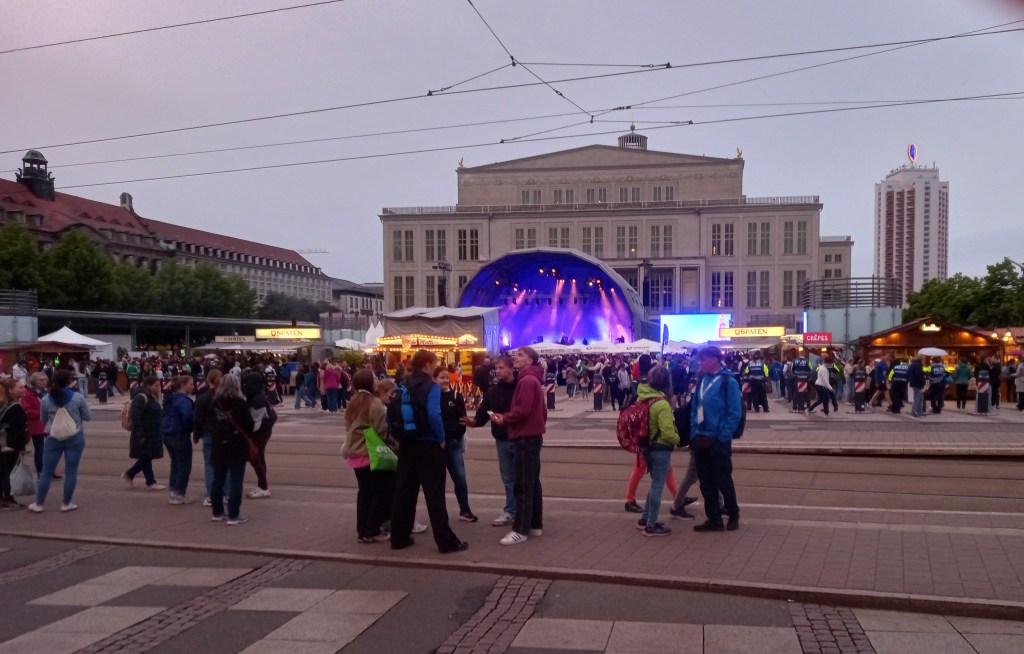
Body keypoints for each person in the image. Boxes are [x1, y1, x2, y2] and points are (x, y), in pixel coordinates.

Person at [390, 349, 468, 554]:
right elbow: (434, 415)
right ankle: (446, 542)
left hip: (407, 443)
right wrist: (441, 438)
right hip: (428, 445)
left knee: (404, 492)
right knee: (434, 495)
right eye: (434, 363)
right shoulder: (430, 386)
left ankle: (399, 538)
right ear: (426, 364)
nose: (435, 366)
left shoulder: (404, 384)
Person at [492, 346, 547, 546]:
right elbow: (541, 411)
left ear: (530, 361)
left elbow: (522, 410)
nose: (516, 357)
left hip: (525, 437)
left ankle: (520, 530)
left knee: (523, 484)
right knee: (532, 483)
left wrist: (505, 418)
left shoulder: (526, 381)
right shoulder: (533, 379)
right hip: (532, 436)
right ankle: (535, 524)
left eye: (521, 355)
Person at [689, 346, 742, 532]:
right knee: (706, 483)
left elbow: (734, 413)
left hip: (718, 440)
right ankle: (714, 519)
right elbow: (695, 408)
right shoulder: (702, 380)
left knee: (723, 480)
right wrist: (694, 432)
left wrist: (723, 438)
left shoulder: (729, 382)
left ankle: (733, 513)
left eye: (703, 359)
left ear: (715, 359)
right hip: (700, 438)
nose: (701, 362)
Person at [462, 355, 518, 527]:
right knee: (508, 478)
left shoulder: (521, 386)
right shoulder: (493, 391)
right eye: (496, 368)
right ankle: (510, 510)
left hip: (520, 438)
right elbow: (484, 411)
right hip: (501, 439)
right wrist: (474, 422)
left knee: (523, 478)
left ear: (511, 368)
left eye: (501, 368)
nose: (497, 371)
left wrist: (506, 419)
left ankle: (525, 511)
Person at [343, 370, 397, 543]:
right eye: (374, 378)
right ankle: (372, 530)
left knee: (365, 493)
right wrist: (395, 446)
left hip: (355, 454)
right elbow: (381, 430)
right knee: (381, 493)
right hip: (370, 453)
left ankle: (362, 530)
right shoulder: (374, 402)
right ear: (368, 382)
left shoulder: (353, 401)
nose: (377, 380)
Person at [29, 369, 92, 513]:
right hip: (75, 437)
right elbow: (88, 417)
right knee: (71, 471)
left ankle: (39, 504)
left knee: (46, 471)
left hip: (53, 437)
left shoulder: (46, 399)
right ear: (69, 381)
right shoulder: (77, 397)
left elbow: (43, 419)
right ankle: (66, 503)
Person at [625, 355, 679, 513]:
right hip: (649, 439)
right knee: (641, 470)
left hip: (643, 437)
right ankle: (630, 500)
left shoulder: (642, 385)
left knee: (663, 469)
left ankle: (678, 496)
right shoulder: (656, 393)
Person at [633, 366, 680, 537]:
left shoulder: (642, 399)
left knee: (655, 485)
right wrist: (678, 439)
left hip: (647, 448)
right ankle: (651, 525)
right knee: (658, 487)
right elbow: (667, 433)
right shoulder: (661, 404)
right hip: (660, 448)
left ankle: (645, 519)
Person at [207, 373, 254, 525]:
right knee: (236, 480)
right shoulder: (240, 403)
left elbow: (210, 421)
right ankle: (234, 515)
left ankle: (217, 512)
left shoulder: (215, 402)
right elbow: (249, 425)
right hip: (236, 444)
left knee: (218, 479)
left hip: (218, 444)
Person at [433, 366, 477, 522]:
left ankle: (464, 510)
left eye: (446, 377)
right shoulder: (431, 397)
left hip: (452, 444)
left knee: (460, 478)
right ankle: (439, 514)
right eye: (442, 377)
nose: (445, 380)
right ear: (434, 379)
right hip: (435, 446)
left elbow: (462, 421)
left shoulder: (456, 396)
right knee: (437, 482)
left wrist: (453, 435)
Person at [122, 375, 167, 491]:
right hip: (144, 433)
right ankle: (150, 482)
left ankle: (130, 474)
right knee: (145, 457)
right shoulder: (141, 397)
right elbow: (136, 417)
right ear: (148, 385)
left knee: (146, 457)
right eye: (156, 385)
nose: (158, 387)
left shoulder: (152, 396)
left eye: (159, 385)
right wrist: (140, 434)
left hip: (152, 432)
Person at [161, 375, 195, 504]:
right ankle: (179, 493)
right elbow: (188, 417)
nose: (193, 386)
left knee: (175, 463)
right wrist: (190, 429)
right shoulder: (184, 401)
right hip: (179, 434)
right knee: (184, 465)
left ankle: (173, 490)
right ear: (183, 385)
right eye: (190, 384)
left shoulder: (171, 398)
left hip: (167, 433)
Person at [243, 370, 276, 499]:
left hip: (260, 432)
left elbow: (256, 421)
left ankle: (264, 487)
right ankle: (262, 486)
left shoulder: (257, 399)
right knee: (259, 458)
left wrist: (249, 436)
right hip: (263, 431)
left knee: (256, 459)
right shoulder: (258, 396)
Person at [192, 369, 223, 505]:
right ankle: (226, 492)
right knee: (225, 463)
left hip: (209, 434)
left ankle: (211, 495)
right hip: (224, 433)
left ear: (207, 380)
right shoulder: (226, 396)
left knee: (210, 464)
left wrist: (196, 435)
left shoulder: (203, 397)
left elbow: (198, 418)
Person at [1, 378, 30, 509]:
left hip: (4, 443)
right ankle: (8, 498)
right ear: (10, 390)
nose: (24, 389)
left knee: (3, 470)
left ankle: (3, 497)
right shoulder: (15, 408)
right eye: (20, 387)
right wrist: (22, 447)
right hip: (11, 444)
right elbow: (18, 430)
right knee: (9, 471)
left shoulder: (5, 405)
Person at [21, 372, 54, 479]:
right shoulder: (28, 394)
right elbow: (26, 410)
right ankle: (41, 472)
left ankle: (51, 470)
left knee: (51, 449)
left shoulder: (46, 392)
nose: (44, 381)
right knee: (40, 450)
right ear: (34, 381)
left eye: (45, 379)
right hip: (37, 425)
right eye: (41, 380)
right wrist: (42, 412)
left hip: (49, 424)